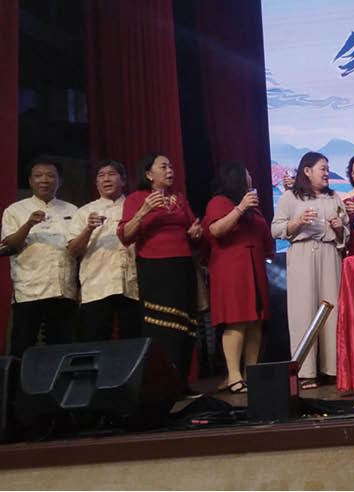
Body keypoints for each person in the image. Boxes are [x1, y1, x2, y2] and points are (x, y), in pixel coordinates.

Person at [118, 153, 204, 386]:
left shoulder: (179, 199)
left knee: (186, 328)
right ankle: (163, 386)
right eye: (163, 167)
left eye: (171, 167)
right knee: (163, 328)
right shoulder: (136, 199)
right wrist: (144, 210)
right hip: (155, 268)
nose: (170, 171)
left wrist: (196, 232)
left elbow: (193, 232)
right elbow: (125, 236)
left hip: (183, 266)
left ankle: (182, 383)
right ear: (148, 174)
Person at [271, 152, 349, 389]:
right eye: (322, 168)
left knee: (331, 311)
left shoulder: (334, 198)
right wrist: (298, 222)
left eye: (327, 168)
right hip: (302, 254)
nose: (326, 173)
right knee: (303, 311)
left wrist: (339, 228)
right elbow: (276, 229)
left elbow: (345, 230)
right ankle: (306, 372)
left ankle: (332, 369)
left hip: (329, 253)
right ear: (307, 171)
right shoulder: (290, 197)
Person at [203, 161, 272, 394]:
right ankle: (234, 375)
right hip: (231, 270)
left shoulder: (252, 205)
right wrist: (240, 208)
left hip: (254, 267)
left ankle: (251, 373)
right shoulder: (219, 202)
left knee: (255, 322)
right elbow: (216, 230)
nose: (251, 177)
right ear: (236, 178)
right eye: (247, 173)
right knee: (236, 320)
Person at [2, 158, 78, 356]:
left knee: (61, 351)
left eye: (50, 175)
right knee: (22, 350)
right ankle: (17, 378)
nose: (44, 180)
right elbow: (9, 246)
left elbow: (78, 249)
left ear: (59, 181)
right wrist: (28, 224)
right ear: (30, 181)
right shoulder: (15, 210)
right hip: (29, 291)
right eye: (38, 176)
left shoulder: (72, 210)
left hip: (63, 291)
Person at [68, 160, 139, 342]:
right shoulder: (84, 212)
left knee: (133, 344)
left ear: (123, 180)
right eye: (101, 175)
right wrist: (88, 229)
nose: (106, 179)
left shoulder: (136, 207)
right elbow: (72, 251)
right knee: (95, 344)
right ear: (96, 183)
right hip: (96, 286)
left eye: (112, 174)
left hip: (133, 287)